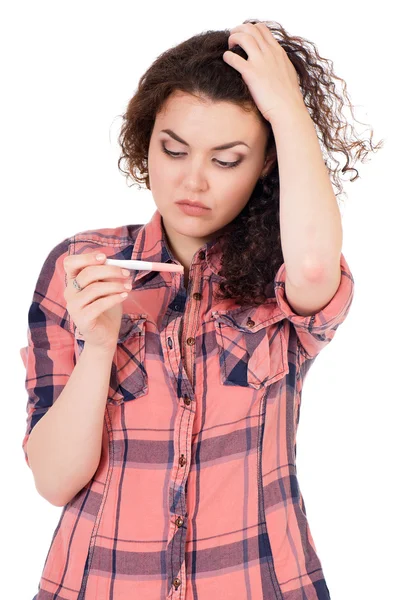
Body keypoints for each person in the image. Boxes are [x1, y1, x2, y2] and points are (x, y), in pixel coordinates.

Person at [20, 18, 381, 600]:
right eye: (174, 149)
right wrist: (99, 346)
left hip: (258, 583)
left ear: (266, 164)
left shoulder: (281, 275)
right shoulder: (84, 264)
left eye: (227, 159)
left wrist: (288, 108)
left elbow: (316, 269)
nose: (193, 180)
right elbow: (55, 479)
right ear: (148, 139)